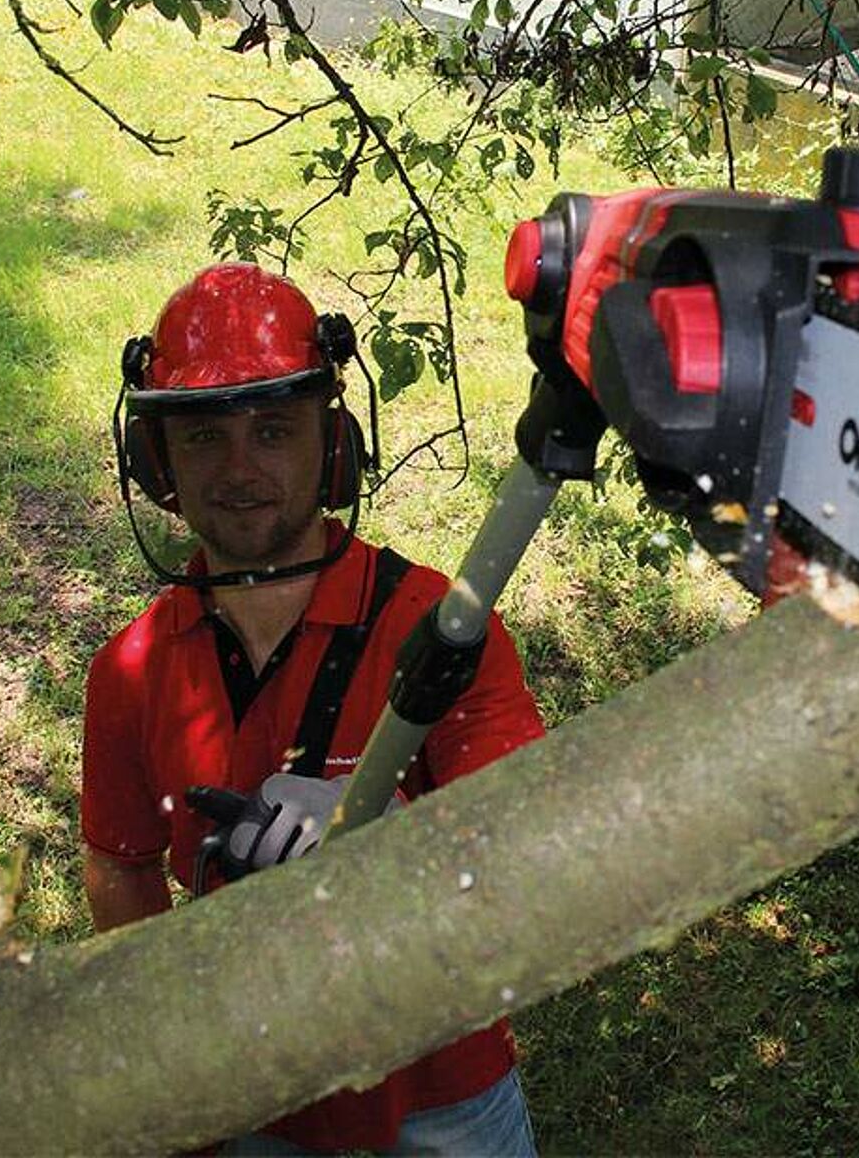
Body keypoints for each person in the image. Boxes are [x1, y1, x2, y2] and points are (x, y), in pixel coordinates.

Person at [81, 262, 545, 1156]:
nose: (240, 470)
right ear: (157, 463)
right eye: (205, 440)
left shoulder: (438, 630)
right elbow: (122, 867)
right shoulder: (130, 674)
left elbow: (527, 828)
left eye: (273, 432)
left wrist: (383, 823)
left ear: (333, 448)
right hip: (250, 1098)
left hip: (439, 1088)